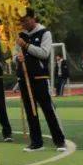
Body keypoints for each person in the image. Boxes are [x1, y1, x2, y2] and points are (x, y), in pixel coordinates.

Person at [17, 9, 67, 152]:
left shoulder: (45, 33)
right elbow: (17, 53)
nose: (23, 24)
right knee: (30, 111)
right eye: (21, 21)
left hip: (40, 78)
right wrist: (18, 58)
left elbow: (44, 54)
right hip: (24, 78)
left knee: (48, 109)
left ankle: (59, 140)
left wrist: (26, 46)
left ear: (33, 18)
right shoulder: (20, 35)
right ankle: (36, 142)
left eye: (26, 20)